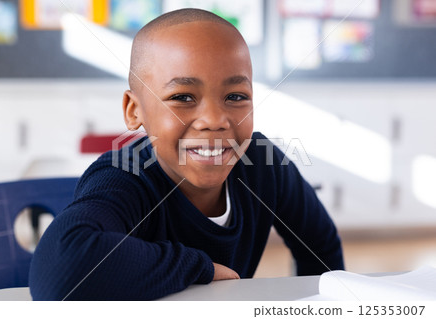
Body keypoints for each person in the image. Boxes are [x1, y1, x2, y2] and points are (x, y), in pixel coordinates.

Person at [29, 8, 344, 301]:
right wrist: (199, 268)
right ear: (133, 110)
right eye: (182, 97)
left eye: (236, 96)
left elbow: (321, 247)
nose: (215, 120)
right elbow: (60, 269)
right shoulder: (125, 175)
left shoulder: (263, 163)